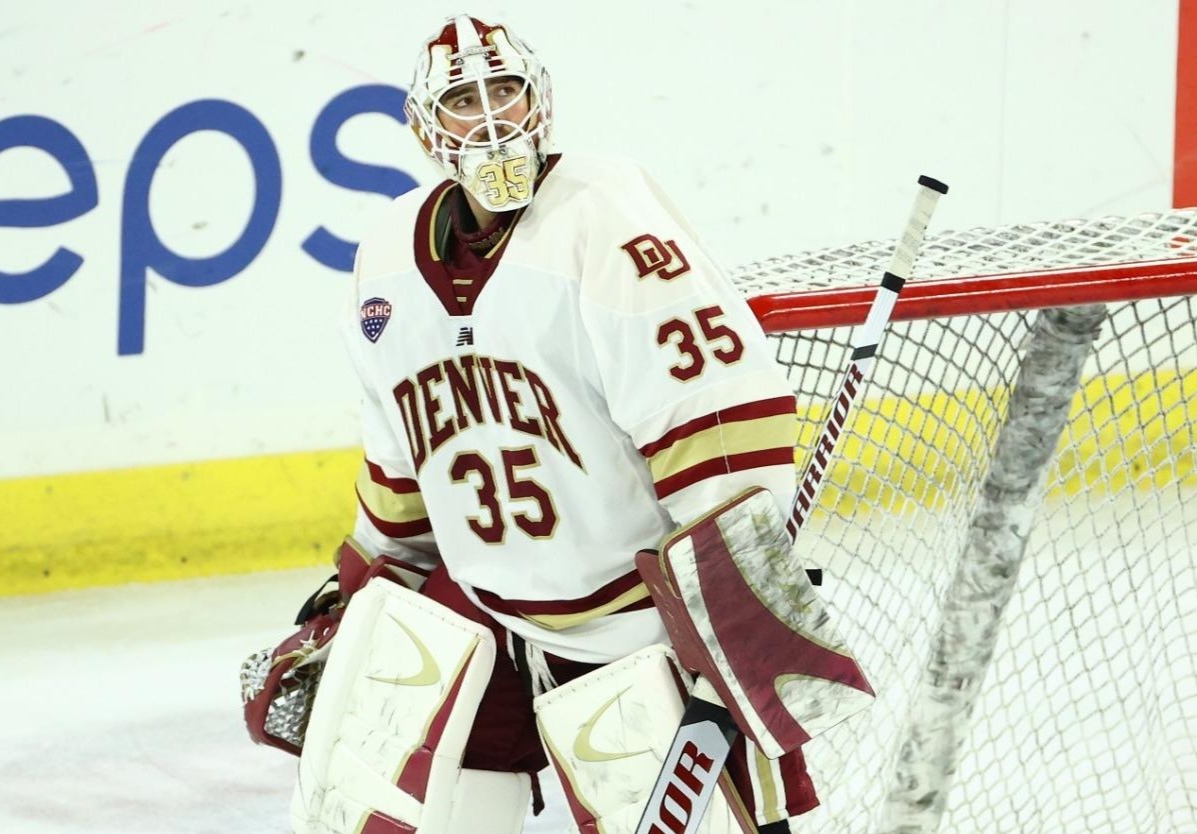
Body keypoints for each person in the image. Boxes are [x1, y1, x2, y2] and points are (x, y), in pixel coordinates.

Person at [244, 14, 820, 834]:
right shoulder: (384, 262)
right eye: (462, 101)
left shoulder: (607, 216)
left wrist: (735, 608)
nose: (491, 118)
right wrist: (367, 578)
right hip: (484, 610)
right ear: (420, 128)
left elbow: (717, 420)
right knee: (372, 803)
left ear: (541, 99)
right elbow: (402, 465)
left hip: (635, 619)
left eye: (506, 90)